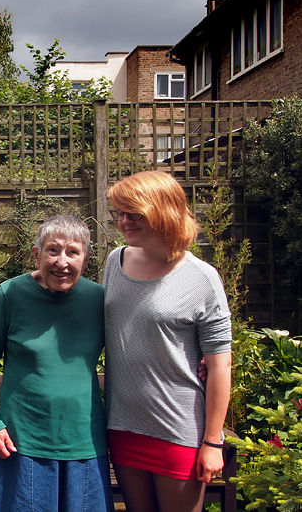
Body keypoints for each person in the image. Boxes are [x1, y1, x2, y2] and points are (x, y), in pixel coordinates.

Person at [103, 170, 232, 512]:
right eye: (119, 213)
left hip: (178, 429)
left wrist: (212, 442)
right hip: (123, 424)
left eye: (134, 213)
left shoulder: (202, 278)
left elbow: (220, 365)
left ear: (163, 211)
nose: (123, 221)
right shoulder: (115, 262)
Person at [0, 215, 114, 512]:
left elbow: (134, 348)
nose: (62, 261)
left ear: (85, 260)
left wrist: (197, 359)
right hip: (23, 445)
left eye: (72, 252)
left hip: (84, 444)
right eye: (53, 250)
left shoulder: (100, 300)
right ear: (37, 254)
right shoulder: (9, 295)